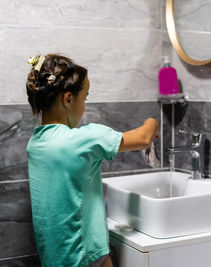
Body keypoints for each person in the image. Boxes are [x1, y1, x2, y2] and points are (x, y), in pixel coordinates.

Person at [26, 53, 159, 267]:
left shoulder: (36, 143)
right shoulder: (86, 138)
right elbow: (143, 138)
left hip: (55, 257)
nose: (84, 106)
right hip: (85, 255)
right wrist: (153, 122)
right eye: (85, 98)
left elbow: (69, 174)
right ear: (68, 99)